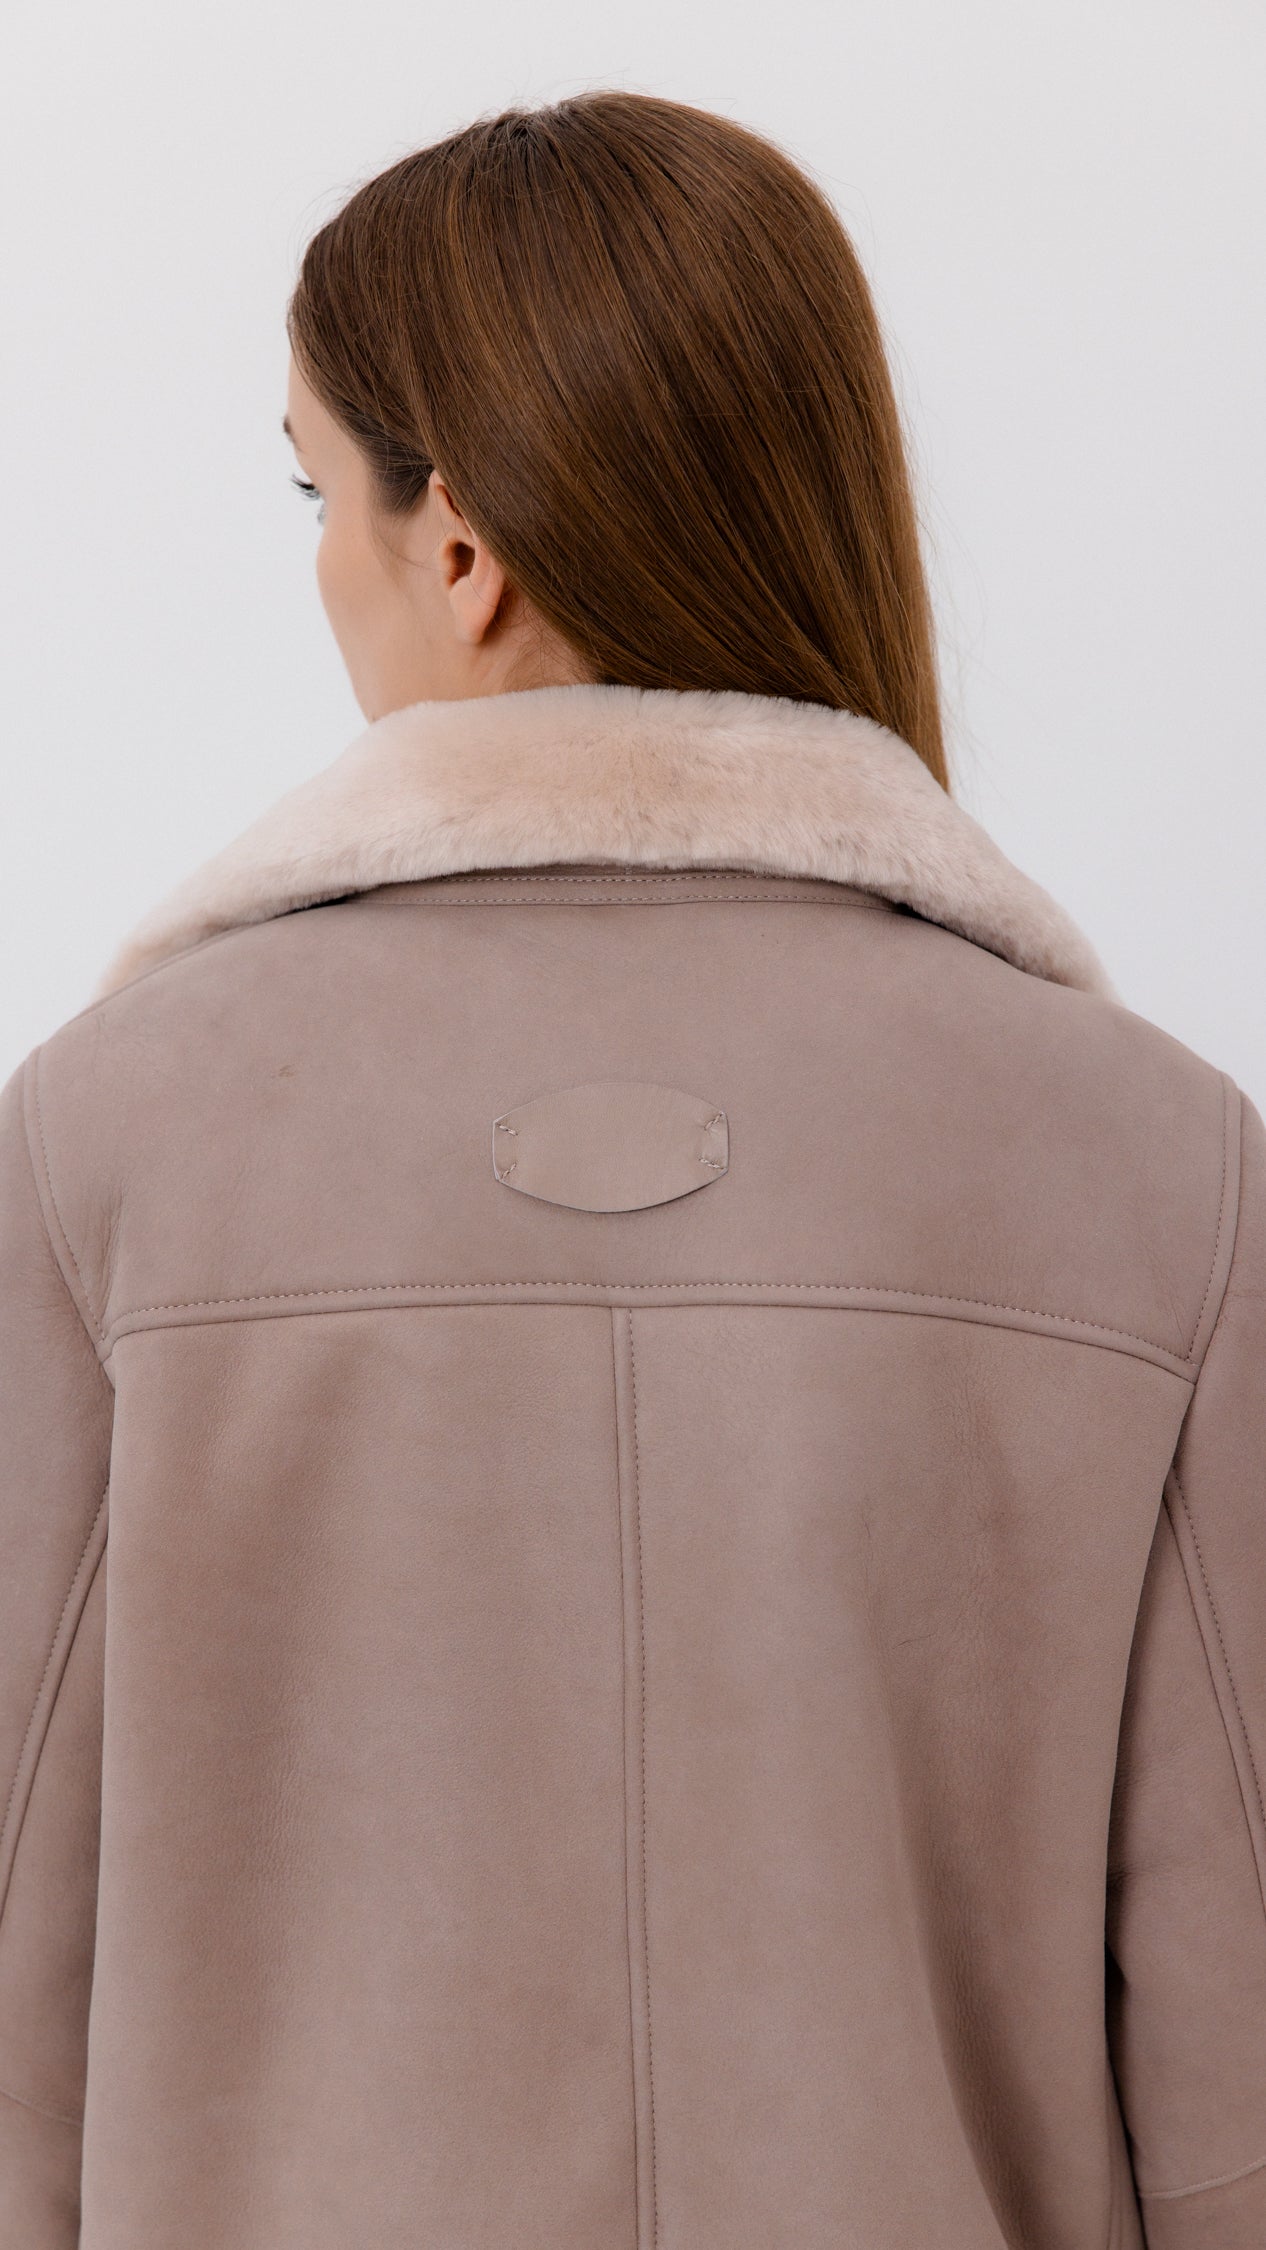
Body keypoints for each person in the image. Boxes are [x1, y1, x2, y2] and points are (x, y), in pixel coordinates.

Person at [1, 86, 1262, 2250]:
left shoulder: (106, 1144)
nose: (320, 565)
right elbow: (1235, 2067)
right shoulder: (1156, 1167)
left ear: (457, 545)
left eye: (314, 490)